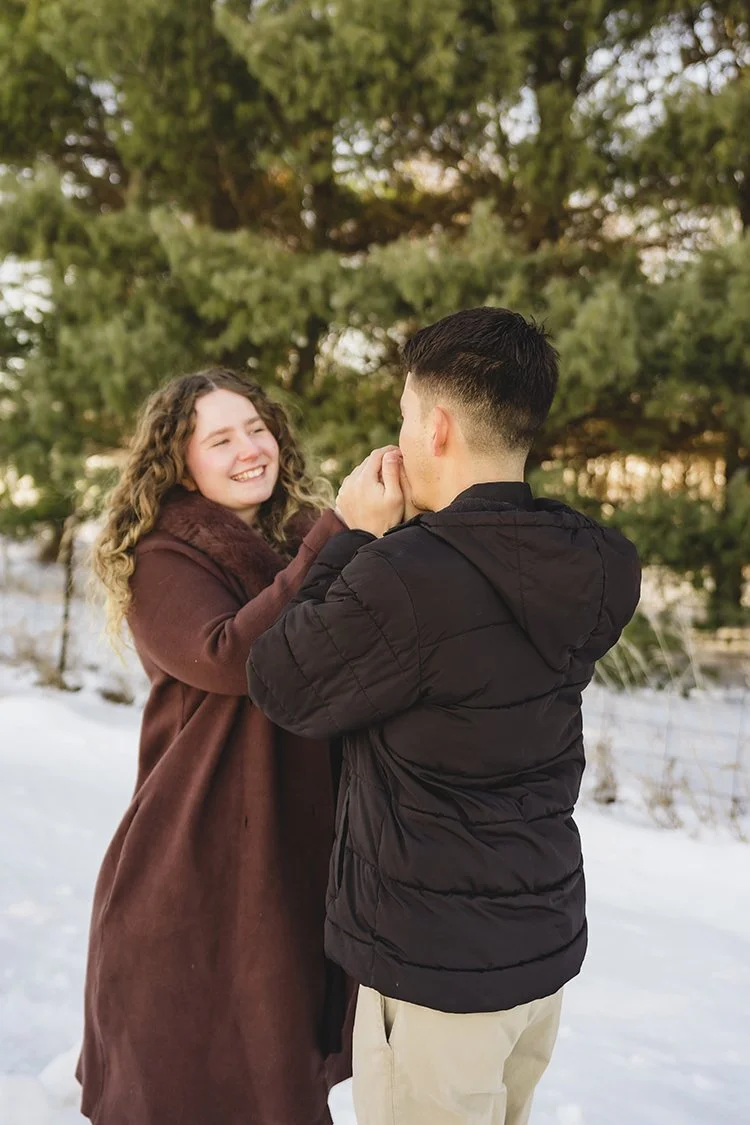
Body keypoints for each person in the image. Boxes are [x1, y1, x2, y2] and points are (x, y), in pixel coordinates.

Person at [247, 307, 642, 1125]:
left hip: (434, 972)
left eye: (400, 415)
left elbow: (282, 680)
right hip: (535, 949)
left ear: (437, 427)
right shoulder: (588, 559)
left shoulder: (407, 575)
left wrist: (353, 534)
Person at [78, 368, 376, 1125]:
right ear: (181, 465)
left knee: (284, 1062)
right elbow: (232, 655)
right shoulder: (162, 556)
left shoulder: (304, 535)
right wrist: (338, 534)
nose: (250, 448)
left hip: (299, 837)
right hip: (197, 849)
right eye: (220, 438)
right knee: (196, 1065)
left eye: (256, 427)